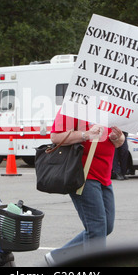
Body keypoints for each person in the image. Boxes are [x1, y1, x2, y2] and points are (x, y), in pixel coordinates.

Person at [45, 111, 125, 265]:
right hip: (83, 176)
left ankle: (58, 257)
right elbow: (55, 137)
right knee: (97, 228)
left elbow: (119, 141)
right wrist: (85, 134)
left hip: (105, 177)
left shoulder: (111, 109)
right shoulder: (74, 106)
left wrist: (117, 137)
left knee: (106, 227)